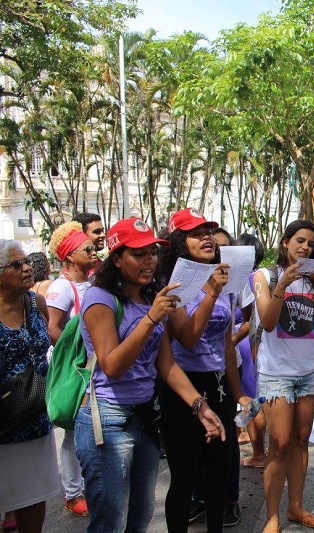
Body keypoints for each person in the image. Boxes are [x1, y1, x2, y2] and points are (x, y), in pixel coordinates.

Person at [74, 218, 225, 533]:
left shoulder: (151, 295)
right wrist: (151, 319)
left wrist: (200, 406)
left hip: (145, 418)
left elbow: (166, 364)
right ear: (117, 259)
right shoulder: (100, 298)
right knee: (110, 524)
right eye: (138, 253)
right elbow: (112, 365)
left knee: (140, 518)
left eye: (153, 253)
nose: (149, 261)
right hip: (109, 420)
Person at [156, 208, 251, 533]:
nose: (207, 238)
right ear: (179, 242)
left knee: (220, 469)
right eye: (196, 234)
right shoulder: (173, 285)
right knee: (185, 476)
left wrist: (238, 393)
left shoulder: (222, 280)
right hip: (183, 387)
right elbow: (187, 337)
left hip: (219, 385)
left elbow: (227, 345)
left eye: (209, 232)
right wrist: (211, 293)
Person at [252, 220, 314, 533]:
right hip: (276, 373)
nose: (305, 247)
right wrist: (283, 284)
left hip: (309, 370)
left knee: (302, 439)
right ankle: (272, 516)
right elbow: (267, 323)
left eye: (310, 244)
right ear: (285, 242)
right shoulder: (264, 276)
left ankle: (296, 506)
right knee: (279, 443)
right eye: (299, 241)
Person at [0, 241, 59, 533]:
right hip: (2, 422)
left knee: (33, 496)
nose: (26, 268)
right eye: (16, 264)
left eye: (26, 262)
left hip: (34, 416)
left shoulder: (37, 303)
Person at [45, 221, 97, 517]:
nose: (93, 252)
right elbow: (53, 327)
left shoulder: (92, 283)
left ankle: (88, 485)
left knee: (88, 428)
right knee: (72, 432)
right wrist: (75, 358)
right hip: (74, 370)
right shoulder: (62, 287)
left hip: (92, 367)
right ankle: (72, 493)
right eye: (86, 249)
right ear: (69, 257)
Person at [235, 232, 267, 468]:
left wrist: (233, 339)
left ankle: (258, 454)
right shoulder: (261, 277)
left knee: (251, 400)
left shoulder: (238, 279)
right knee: (255, 396)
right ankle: (249, 437)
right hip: (257, 340)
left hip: (243, 341)